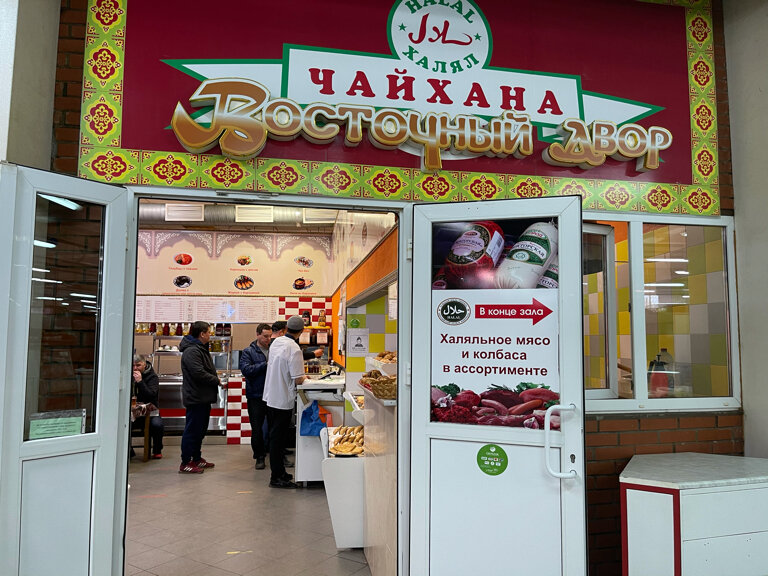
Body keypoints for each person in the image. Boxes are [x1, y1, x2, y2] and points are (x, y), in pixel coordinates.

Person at [263, 315, 307, 488]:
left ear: (286, 328)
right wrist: (306, 378)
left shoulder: (276, 342)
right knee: (278, 439)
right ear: (301, 331)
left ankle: (280, 472)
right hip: (282, 398)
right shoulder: (294, 348)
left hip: (271, 396)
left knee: (275, 438)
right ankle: (276, 478)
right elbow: (298, 379)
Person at [179, 321, 222, 474]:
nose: (210, 334)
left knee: (200, 430)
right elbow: (198, 373)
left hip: (202, 397)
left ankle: (196, 458)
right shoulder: (192, 351)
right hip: (195, 397)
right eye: (209, 332)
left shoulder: (200, 348)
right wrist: (216, 380)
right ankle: (186, 462)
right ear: (202, 334)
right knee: (192, 430)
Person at [239, 323, 272, 470]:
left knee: (274, 427)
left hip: (272, 394)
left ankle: (277, 454)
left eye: (270, 336)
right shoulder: (249, 352)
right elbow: (246, 370)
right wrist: (265, 364)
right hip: (256, 395)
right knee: (257, 428)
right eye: (265, 336)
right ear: (257, 335)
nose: (268, 339)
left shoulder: (274, 349)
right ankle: (259, 457)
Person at [131, 354, 164, 459]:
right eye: (133, 365)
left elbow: (151, 395)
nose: (135, 368)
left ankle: (157, 450)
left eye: (138, 365)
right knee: (123, 426)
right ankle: (129, 451)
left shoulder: (152, 377)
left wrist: (140, 382)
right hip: (133, 412)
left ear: (144, 365)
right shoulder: (129, 375)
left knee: (157, 425)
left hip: (151, 411)